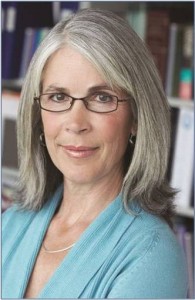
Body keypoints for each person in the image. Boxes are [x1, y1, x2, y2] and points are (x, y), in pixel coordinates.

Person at [2, 8, 188, 299]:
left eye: (102, 97)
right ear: (38, 113)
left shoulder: (151, 255)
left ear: (137, 117)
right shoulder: (10, 224)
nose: (76, 123)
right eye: (58, 97)